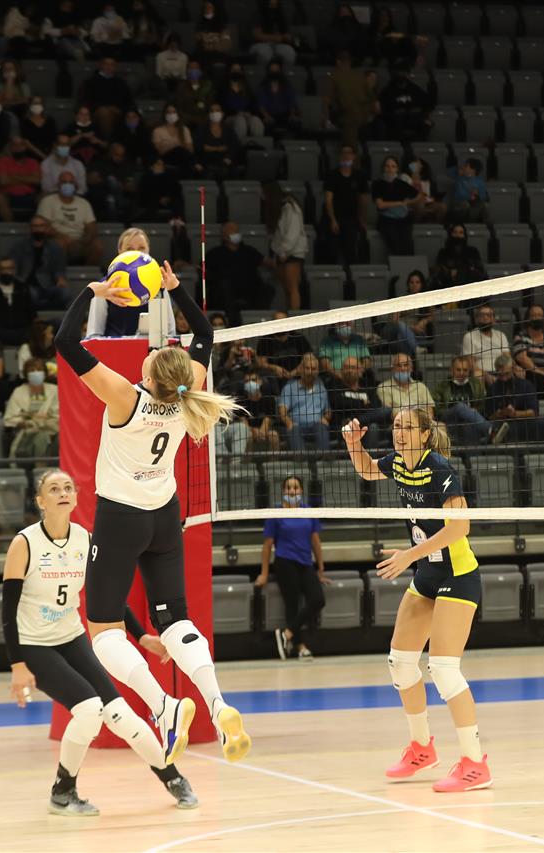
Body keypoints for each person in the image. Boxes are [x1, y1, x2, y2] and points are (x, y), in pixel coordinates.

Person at [53, 264, 251, 764]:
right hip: (164, 516)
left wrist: (92, 292)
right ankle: (217, 703)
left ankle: (164, 706)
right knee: (175, 620)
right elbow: (204, 334)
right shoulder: (191, 395)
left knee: (103, 632)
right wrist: (177, 290)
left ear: (148, 374)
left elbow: (65, 342)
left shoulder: (125, 396)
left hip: (121, 519)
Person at [4, 469, 198, 815]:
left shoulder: (85, 540)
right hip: (34, 646)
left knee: (122, 715)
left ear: (76, 497)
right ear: (40, 502)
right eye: (54, 489)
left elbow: (108, 596)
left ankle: (173, 778)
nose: (63, 493)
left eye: (68, 487)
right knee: (90, 710)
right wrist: (17, 665)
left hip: (72, 638)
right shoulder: (24, 544)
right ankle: (63, 792)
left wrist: (142, 636)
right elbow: (7, 610)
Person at [343, 407, 493, 793]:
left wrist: (409, 555)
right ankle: (422, 748)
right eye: (396, 426)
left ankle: (475, 764)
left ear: (425, 435)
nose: (400, 432)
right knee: (400, 662)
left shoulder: (440, 469)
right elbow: (367, 470)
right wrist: (353, 445)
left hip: (457, 574)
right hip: (427, 573)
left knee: (443, 668)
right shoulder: (397, 464)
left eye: (408, 427)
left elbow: (460, 528)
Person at [255, 476, 326, 661]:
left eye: (295, 487)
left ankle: (286, 634)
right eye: (288, 487)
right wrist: (264, 573)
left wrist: (320, 569)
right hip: (285, 562)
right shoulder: (276, 513)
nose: (292, 491)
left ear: (301, 490)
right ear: (283, 491)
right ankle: (301, 648)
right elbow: (267, 546)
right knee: (292, 604)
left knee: (318, 599)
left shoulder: (309, 512)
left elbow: (316, 542)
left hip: (306, 563)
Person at [433, 355, 506, 446]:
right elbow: (437, 408)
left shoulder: (476, 384)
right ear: (451, 370)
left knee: (468, 423)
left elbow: (483, 405)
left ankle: (481, 443)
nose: (462, 373)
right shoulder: (443, 386)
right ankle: (491, 429)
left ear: (469, 371)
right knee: (460, 407)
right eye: (458, 370)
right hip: (449, 418)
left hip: (471, 421)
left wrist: (475, 410)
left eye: (465, 370)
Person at [3, 358, 60, 458]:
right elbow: (10, 419)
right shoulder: (18, 391)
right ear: (26, 374)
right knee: (40, 438)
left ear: (45, 373)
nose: (36, 373)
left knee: (45, 437)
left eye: (39, 370)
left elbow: (57, 416)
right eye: (32, 370)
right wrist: (26, 422)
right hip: (26, 433)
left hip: (52, 432)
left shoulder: (54, 390)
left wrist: (35, 419)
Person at [278, 352, 331, 452]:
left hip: (317, 425)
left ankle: (324, 458)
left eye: (314, 369)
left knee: (322, 427)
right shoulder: (289, 388)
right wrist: (289, 423)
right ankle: (301, 459)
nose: (310, 372)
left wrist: (325, 418)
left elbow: (328, 411)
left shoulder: (321, 388)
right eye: (307, 368)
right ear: (301, 369)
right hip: (297, 426)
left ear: (318, 371)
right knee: (294, 430)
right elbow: (282, 412)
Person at [486, 354, 544, 443]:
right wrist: (501, 413)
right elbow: (489, 416)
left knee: (540, 422)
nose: (504, 378)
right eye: (500, 375)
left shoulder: (526, 385)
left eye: (506, 374)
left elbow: (534, 412)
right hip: (502, 423)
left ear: (513, 369)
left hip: (523, 422)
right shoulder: (493, 388)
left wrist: (515, 414)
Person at [270, 191, 307, 310]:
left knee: (292, 287)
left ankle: (294, 315)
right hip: (282, 252)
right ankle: (288, 313)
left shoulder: (291, 209)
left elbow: (293, 233)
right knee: (286, 289)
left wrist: (284, 251)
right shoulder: (282, 209)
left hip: (292, 253)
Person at [461, 304, 511, 386]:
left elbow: (507, 358)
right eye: (482, 315)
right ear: (476, 319)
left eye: (489, 315)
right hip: (481, 371)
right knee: (478, 375)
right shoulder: (469, 336)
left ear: (494, 320)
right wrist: (485, 374)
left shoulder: (501, 335)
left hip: (501, 370)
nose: (485, 317)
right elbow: (470, 363)